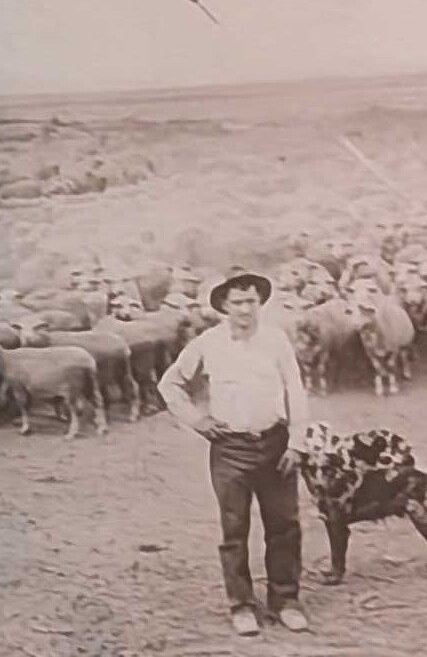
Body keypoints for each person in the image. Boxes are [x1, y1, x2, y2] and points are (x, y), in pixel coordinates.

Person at [157, 271, 315, 637]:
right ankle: (242, 605)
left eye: (252, 301)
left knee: (284, 525)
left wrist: (297, 442)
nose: (246, 309)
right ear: (224, 307)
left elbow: (295, 389)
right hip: (230, 449)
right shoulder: (207, 344)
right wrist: (197, 420)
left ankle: (286, 600)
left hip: (276, 444)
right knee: (234, 528)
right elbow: (170, 384)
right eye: (238, 302)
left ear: (260, 303)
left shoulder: (276, 341)